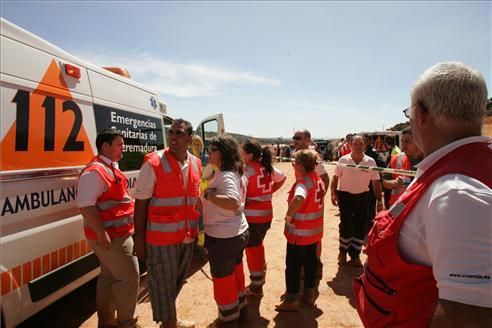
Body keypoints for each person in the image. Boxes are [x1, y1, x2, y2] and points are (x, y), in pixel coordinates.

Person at [355, 62, 492, 327]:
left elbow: (467, 317)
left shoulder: (455, 192)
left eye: (409, 113)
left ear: (420, 114)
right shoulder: (454, 171)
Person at [133, 119, 201, 328]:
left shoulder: (196, 163)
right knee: (162, 284)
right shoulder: (153, 162)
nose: (173, 137)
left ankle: (169, 320)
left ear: (189, 138)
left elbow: (194, 198)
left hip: (186, 237)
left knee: (175, 283)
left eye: (179, 133)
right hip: (161, 240)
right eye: (171, 132)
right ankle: (169, 323)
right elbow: (141, 204)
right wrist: (140, 240)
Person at [77, 128, 140, 328]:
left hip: (114, 235)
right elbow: (85, 204)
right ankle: (126, 323)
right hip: (112, 238)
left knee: (109, 276)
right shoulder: (95, 172)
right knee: (130, 278)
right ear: (105, 146)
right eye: (119, 144)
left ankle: (106, 322)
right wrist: (101, 233)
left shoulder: (109, 166)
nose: (124, 147)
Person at [202, 135, 249, 327]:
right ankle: (241, 309)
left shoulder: (227, 175)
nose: (209, 153)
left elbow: (232, 202)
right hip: (235, 232)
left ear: (223, 153)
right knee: (236, 273)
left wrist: (208, 195)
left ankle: (229, 320)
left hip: (224, 237)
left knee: (223, 280)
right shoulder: (232, 171)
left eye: (213, 150)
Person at [275, 149, 324, 312]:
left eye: (295, 163)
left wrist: (289, 216)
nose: (293, 165)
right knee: (311, 265)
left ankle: (292, 300)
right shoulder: (318, 180)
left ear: (301, 166)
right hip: (314, 234)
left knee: (293, 267)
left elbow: (299, 198)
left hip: (300, 234)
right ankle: (309, 295)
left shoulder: (303, 182)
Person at [241, 140, 286, 297]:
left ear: (250, 155)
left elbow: (241, 195)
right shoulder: (267, 167)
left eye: (243, 152)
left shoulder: (247, 171)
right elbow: (282, 178)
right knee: (257, 245)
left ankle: (256, 286)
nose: (240, 155)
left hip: (253, 218)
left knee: (253, 250)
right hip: (266, 215)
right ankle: (261, 272)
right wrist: (268, 193)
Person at [330, 135, 383, 267]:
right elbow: (335, 178)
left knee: (360, 227)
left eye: (361, 143)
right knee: (346, 226)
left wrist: (380, 201)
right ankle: (342, 252)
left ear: (365, 145)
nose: (358, 146)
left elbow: (376, 182)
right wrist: (333, 193)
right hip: (345, 197)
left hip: (363, 197)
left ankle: (355, 255)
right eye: (355, 143)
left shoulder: (370, 162)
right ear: (350, 145)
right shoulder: (343, 160)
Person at [291, 129, 329, 276]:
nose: (295, 140)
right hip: (302, 198)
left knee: (314, 234)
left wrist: (317, 197)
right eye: (294, 137)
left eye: (298, 138)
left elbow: (325, 178)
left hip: (309, 201)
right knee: (302, 233)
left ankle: (316, 263)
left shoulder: (312, 157)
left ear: (307, 139)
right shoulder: (296, 154)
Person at [382, 127, 424, 207]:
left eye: (408, 142)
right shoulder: (396, 159)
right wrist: (395, 183)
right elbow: (385, 181)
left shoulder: (429, 159)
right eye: (402, 142)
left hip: (420, 207)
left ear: (419, 141)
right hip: (398, 208)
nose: (403, 146)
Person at [363, 135, 386, 234]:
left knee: (370, 210)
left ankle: (369, 231)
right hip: (359, 187)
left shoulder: (372, 154)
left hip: (370, 185)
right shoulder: (356, 154)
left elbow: (383, 166)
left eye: (365, 141)